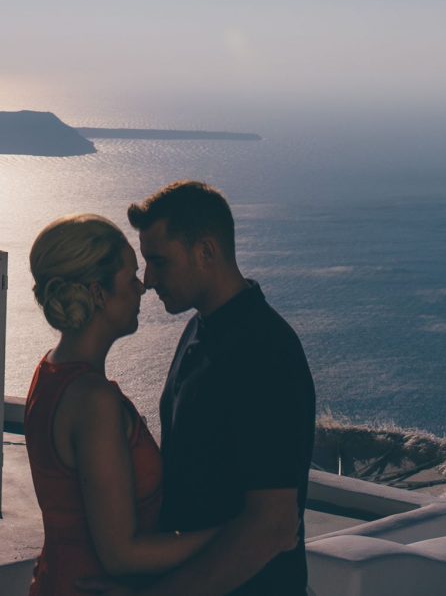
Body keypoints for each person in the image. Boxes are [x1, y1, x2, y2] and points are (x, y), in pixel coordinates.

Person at [97, 179, 317, 596]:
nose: (147, 279)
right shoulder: (201, 330)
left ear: (206, 252)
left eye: (159, 261)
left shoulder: (266, 353)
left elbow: (272, 525)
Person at [24, 213, 217, 596]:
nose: (143, 286)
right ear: (97, 292)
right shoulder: (94, 402)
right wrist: (233, 535)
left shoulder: (49, 371)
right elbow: (122, 555)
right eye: (130, 277)